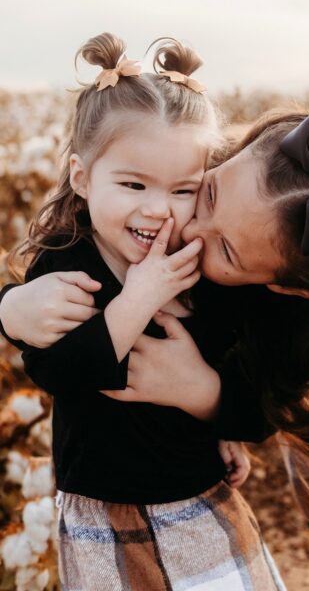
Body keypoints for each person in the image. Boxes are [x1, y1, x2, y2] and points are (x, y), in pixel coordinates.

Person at [0, 96, 309, 589]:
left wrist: (204, 394)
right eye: (204, 194)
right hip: (108, 508)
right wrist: (11, 308)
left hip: (207, 494)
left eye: (225, 250)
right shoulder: (147, 204)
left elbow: (263, 402)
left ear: (279, 285)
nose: (188, 228)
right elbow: (57, 362)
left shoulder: (277, 298)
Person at [0, 32, 286, 591]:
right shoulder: (65, 266)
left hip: (202, 500)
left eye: (183, 190)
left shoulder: (200, 264)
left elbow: (254, 393)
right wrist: (136, 300)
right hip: (104, 513)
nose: (158, 210)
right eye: (133, 184)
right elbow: (60, 373)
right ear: (82, 179)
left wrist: (217, 410)